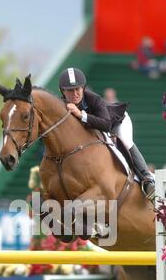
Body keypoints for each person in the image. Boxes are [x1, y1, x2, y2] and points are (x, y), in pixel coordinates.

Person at [58, 67, 155, 201]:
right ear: (62, 91)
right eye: (70, 90)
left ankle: (147, 179)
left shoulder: (94, 99)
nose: (75, 93)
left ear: (83, 88)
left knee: (125, 141)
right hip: (95, 132)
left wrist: (81, 115)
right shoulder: (60, 106)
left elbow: (106, 125)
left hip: (116, 123)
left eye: (78, 89)